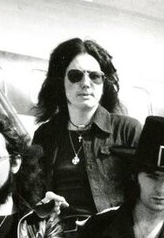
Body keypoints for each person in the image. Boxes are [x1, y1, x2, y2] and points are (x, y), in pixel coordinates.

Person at [31, 37, 141, 222]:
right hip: (59, 235)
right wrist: (43, 205)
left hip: (109, 234)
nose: (86, 83)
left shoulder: (128, 131)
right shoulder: (45, 134)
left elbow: (143, 193)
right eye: (75, 76)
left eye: (95, 76)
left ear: (104, 82)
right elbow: (31, 195)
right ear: (61, 81)